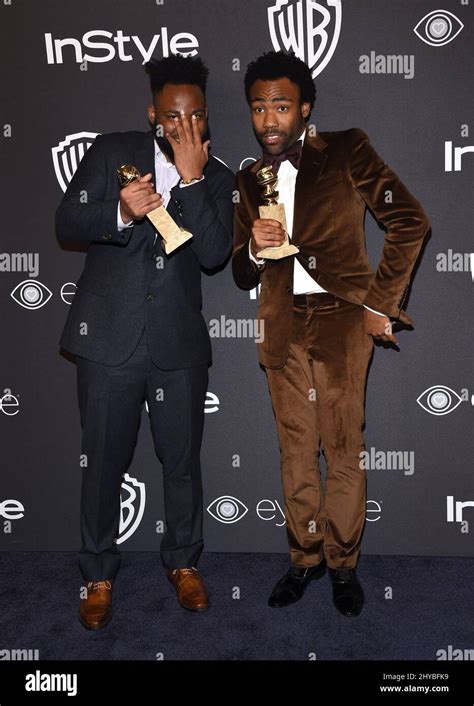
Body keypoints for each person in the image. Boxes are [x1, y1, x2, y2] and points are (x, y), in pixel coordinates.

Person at [232, 51, 430, 617]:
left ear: (305, 108)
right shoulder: (248, 179)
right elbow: (241, 270)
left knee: (342, 449)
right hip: (280, 324)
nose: (270, 119)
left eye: (282, 105)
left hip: (342, 321)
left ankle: (343, 565)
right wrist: (253, 246)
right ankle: (304, 558)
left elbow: (409, 220)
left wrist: (379, 302)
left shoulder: (346, 149)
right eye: (259, 107)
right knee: (295, 451)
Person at [56, 55, 234, 629]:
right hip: (109, 341)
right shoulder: (111, 152)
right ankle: (98, 576)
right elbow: (67, 222)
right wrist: (121, 211)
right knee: (103, 464)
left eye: (195, 116)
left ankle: (183, 565)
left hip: (177, 346)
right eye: (172, 115)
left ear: (205, 117)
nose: (183, 126)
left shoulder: (219, 176)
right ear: (152, 112)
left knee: (181, 464)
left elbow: (211, 255)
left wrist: (192, 179)